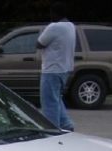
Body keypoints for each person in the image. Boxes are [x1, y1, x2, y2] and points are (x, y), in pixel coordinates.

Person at [36, 2, 76, 130]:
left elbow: (39, 43)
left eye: (51, 12)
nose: (50, 15)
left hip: (51, 69)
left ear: (55, 13)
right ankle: (66, 124)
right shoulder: (71, 26)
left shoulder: (54, 27)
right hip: (64, 69)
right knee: (56, 99)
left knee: (49, 103)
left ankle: (52, 130)